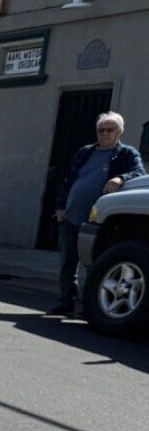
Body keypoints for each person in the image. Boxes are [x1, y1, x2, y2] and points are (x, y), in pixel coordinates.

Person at [48, 111, 143, 315]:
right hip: (69, 215)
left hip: (97, 219)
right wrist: (60, 207)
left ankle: (90, 308)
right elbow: (68, 180)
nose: (105, 134)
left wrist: (121, 178)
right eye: (101, 130)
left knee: (93, 264)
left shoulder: (126, 154)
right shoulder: (85, 152)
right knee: (67, 263)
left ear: (120, 132)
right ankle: (65, 302)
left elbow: (140, 173)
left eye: (110, 130)